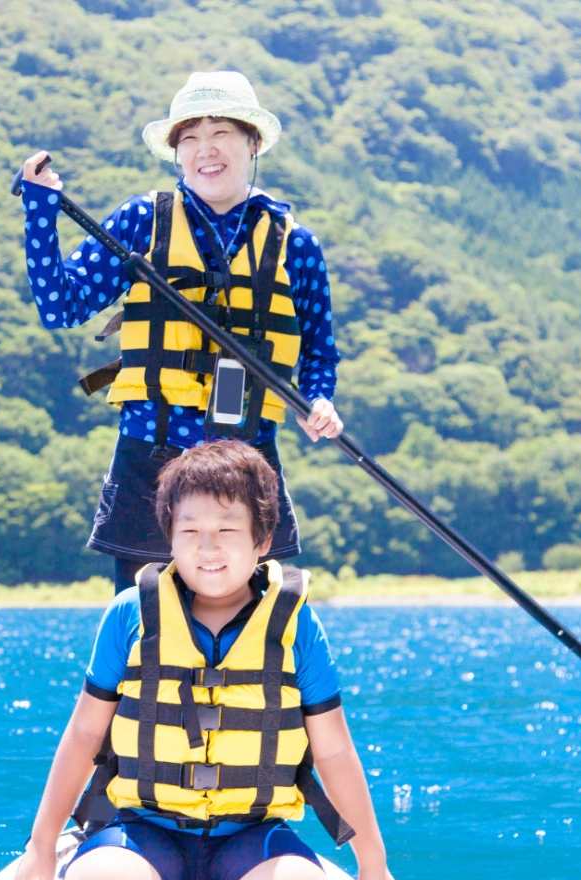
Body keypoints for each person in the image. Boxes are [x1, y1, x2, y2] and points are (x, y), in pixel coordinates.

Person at [6, 441, 401, 880]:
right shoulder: (130, 614)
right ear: (169, 536)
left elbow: (336, 751)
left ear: (262, 540)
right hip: (146, 834)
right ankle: (103, 869)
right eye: (189, 530)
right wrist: (40, 844)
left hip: (252, 841)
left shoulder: (297, 626)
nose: (207, 548)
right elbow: (84, 733)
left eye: (227, 530)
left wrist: (373, 863)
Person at [18, 71, 344, 594]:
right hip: (152, 456)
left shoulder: (296, 245)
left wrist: (321, 399)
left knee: (257, 641)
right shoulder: (140, 221)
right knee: (146, 638)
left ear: (252, 142)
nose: (204, 150)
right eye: (189, 138)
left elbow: (319, 352)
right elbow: (61, 306)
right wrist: (40, 211)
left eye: (221, 134)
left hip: (247, 460)